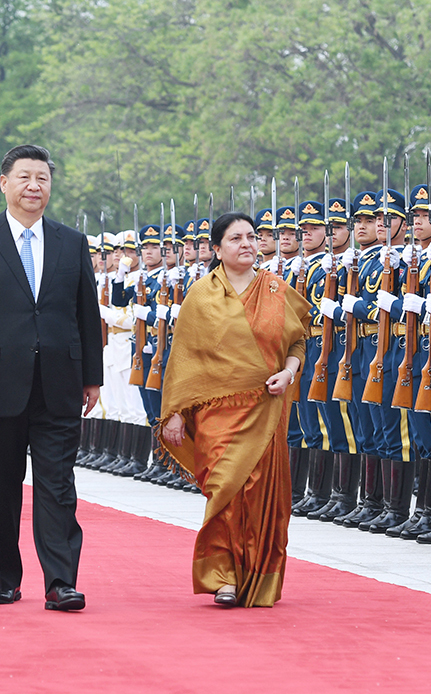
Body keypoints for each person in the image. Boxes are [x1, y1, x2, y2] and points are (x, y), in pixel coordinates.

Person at [0, 144, 103, 611]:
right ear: (5, 184)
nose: (35, 186)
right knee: (3, 484)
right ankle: (3, 578)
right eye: (25, 178)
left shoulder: (71, 242)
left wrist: (92, 376)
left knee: (58, 486)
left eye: (43, 178)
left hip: (60, 381)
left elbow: (85, 312)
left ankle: (60, 582)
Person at [159, 211, 310, 607]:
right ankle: (223, 577)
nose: (246, 244)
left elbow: (298, 342)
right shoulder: (200, 295)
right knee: (224, 489)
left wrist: (289, 372)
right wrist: (175, 411)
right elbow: (185, 358)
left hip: (266, 408)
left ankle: (257, 576)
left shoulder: (276, 289)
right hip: (215, 414)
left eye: (252, 237)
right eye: (236, 238)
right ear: (217, 248)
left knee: (262, 495)